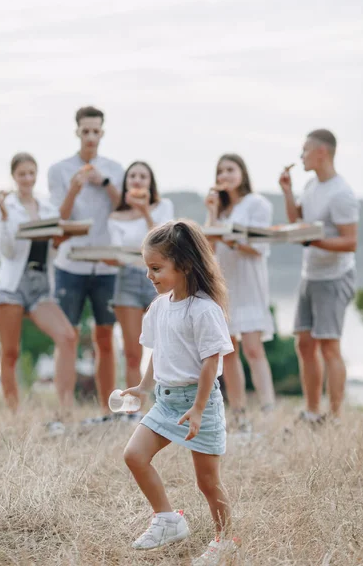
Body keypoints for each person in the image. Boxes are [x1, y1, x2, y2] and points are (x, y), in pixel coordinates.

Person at [120, 220, 238, 564]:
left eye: (156, 268)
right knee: (134, 456)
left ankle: (225, 540)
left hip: (199, 404)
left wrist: (200, 408)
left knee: (208, 483)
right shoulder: (159, 307)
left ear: (184, 265)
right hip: (166, 401)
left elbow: (210, 363)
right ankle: (168, 519)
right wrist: (144, 388)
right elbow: (160, 351)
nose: (149, 276)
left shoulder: (204, 310)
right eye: (147, 268)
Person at [48, 106, 124, 420]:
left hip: (106, 264)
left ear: (102, 133)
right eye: (85, 131)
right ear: (77, 132)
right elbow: (59, 219)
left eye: (96, 131)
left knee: (105, 336)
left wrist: (103, 181)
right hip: (70, 264)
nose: (91, 136)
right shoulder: (59, 170)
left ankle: (108, 411)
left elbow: (123, 209)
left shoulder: (115, 168)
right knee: (67, 336)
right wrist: (74, 189)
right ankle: (64, 412)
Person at [279, 129, 359, 422]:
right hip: (309, 275)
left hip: (334, 278)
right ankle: (312, 412)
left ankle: (335, 416)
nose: (301, 157)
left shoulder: (342, 193)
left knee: (329, 346)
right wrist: (288, 191)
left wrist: (312, 241)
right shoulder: (312, 185)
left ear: (321, 152)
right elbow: (296, 221)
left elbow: (351, 242)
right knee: (304, 344)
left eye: (304, 151)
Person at [0, 153, 76, 414]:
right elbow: (6, 251)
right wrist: (4, 217)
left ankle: (66, 408)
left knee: (68, 337)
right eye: (22, 174)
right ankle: (14, 411)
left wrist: (59, 241)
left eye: (31, 173)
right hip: (11, 285)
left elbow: (50, 253)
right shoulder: (4, 206)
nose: (27, 178)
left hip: (40, 284)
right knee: (11, 351)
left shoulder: (47, 208)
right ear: (14, 177)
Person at [205, 154, 275, 432]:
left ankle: (268, 409)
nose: (225, 174)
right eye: (220, 170)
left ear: (242, 173)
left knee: (253, 347)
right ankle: (238, 412)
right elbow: (208, 251)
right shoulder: (220, 212)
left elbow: (258, 247)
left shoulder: (257, 204)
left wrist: (228, 239)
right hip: (226, 284)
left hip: (249, 282)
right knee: (229, 351)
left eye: (230, 169)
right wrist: (211, 213)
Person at [108, 161, 173, 420]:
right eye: (132, 176)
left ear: (150, 182)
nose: (137, 180)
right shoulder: (115, 217)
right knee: (133, 350)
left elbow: (165, 242)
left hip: (160, 278)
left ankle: (166, 407)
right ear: (126, 183)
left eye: (142, 176)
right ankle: (134, 410)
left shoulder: (163, 207)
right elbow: (116, 252)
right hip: (127, 278)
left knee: (166, 344)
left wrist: (145, 212)